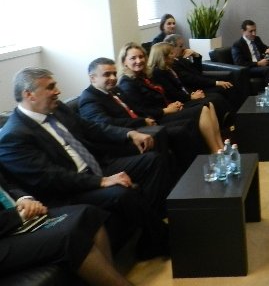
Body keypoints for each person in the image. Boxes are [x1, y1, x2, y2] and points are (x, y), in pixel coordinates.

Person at [0, 67, 170, 259]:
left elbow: (91, 128)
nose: (57, 91)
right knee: (121, 193)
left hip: (96, 167)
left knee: (152, 161)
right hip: (69, 190)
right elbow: (51, 177)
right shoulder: (13, 135)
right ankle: (163, 239)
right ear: (29, 94)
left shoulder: (57, 108)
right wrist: (102, 181)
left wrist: (128, 133)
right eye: (50, 87)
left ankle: (151, 233)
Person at [0, 170, 132, 285]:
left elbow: (7, 185)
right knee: (68, 238)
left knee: (87, 214)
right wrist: (18, 215)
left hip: (15, 217)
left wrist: (24, 199)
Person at [116, 42, 225, 156]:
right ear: (124, 62)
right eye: (133, 58)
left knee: (208, 105)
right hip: (157, 118)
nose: (138, 61)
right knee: (202, 109)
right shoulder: (126, 83)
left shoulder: (142, 76)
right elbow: (142, 111)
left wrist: (172, 105)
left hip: (167, 109)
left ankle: (220, 148)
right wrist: (166, 110)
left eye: (141, 57)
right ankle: (216, 152)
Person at [148, 42, 234, 128]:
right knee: (213, 99)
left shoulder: (170, 67)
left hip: (187, 94)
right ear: (163, 57)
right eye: (171, 53)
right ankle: (226, 126)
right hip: (179, 102)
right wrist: (191, 97)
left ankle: (228, 123)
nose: (174, 55)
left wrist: (191, 95)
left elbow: (195, 73)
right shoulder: (158, 72)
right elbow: (172, 93)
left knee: (216, 96)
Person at [164, 33, 243, 109]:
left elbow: (197, 71)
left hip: (200, 83)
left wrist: (196, 55)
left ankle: (239, 112)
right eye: (181, 46)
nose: (184, 48)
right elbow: (191, 79)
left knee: (229, 85)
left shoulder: (181, 58)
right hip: (194, 88)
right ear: (172, 48)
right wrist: (216, 82)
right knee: (224, 89)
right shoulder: (173, 64)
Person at [231, 19, 269, 95]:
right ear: (243, 31)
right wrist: (258, 63)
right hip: (249, 68)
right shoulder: (237, 45)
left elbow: (266, 49)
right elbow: (239, 63)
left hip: (261, 66)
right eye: (251, 31)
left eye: (255, 30)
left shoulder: (257, 39)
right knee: (268, 69)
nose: (254, 33)